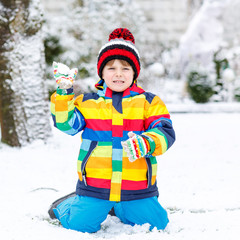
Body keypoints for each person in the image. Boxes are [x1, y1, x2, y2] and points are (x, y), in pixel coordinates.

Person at [49, 28, 175, 233]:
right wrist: (64, 93)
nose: (118, 73)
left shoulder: (149, 102)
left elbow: (165, 131)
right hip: (96, 187)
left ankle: (119, 208)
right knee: (80, 225)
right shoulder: (88, 102)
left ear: (134, 72)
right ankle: (66, 205)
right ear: (101, 72)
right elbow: (66, 124)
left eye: (125, 68)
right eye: (111, 68)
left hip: (136, 188)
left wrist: (147, 142)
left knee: (157, 225)